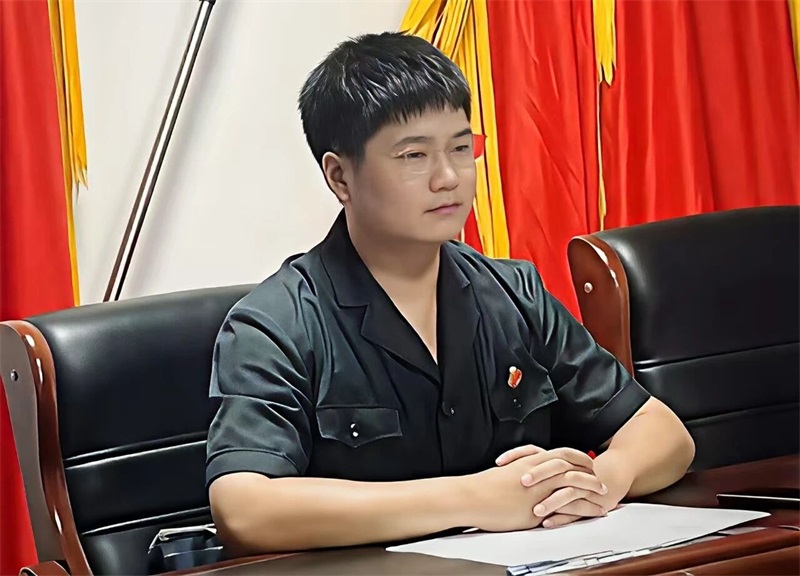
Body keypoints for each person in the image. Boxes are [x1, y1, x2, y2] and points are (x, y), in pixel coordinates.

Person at [205, 31, 695, 556]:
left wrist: (598, 482)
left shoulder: (515, 293)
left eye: (462, 149)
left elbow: (664, 434)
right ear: (340, 177)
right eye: (414, 155)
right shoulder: (277, 323)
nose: (448, 178)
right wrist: (471, 499)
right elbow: (245, 508)